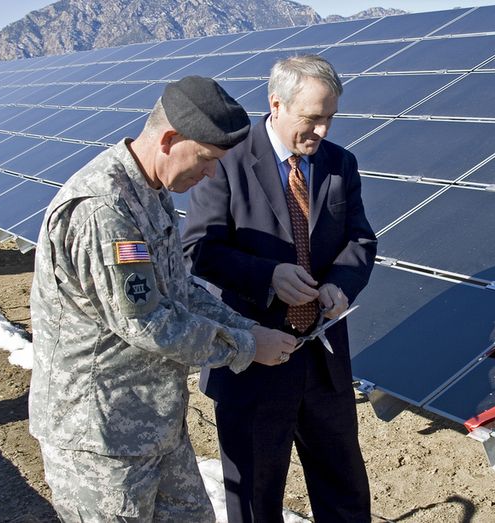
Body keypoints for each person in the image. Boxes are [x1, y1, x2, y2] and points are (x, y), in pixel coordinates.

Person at [29, 75, 297, 521]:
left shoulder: (149, 191)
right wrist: (246, 347)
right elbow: (148, 322)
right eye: (208, 159)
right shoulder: (105, 209)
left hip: (154, 421)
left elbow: (179, 290)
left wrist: (246, 327)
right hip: (102, 437)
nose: (211, 174)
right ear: (170, 139)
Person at [182, 55, 377, 522]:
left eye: (330, 118)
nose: (323, 131)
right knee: (254, 496)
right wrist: (267, 276)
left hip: (322, 358)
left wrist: (339, 284)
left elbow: (360, 239)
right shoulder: (227, 159)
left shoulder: (338, 164)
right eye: (312, 118)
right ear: (276, 104)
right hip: (252, 358)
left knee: (344, 489)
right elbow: (198, 248)